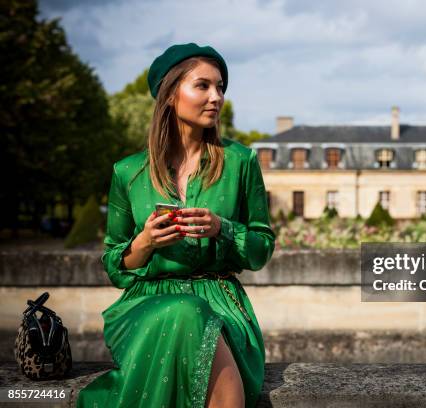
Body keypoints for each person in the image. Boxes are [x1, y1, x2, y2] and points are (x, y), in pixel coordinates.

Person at [77, 43, 275, 408]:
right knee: (185, 310)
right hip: (147, 305)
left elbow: (262, 248)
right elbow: (114, 265)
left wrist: (223, 229)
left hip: (221, 305)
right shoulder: (128, 172)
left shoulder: (241, 161)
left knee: (193, 313)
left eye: (220, 87)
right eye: (203, 86)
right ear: (170, 95)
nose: (216, 97)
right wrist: (145, 243)